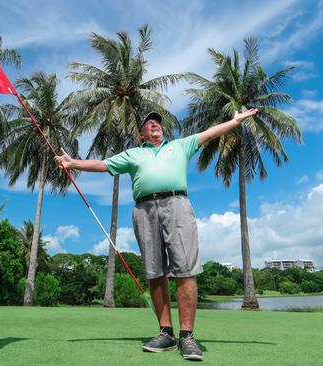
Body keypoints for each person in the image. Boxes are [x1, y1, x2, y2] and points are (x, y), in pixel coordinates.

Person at [54, 108, 258, 361]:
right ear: (141, 133)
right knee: (155, 270)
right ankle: (166, 333)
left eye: (157, 123)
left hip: (177, 205)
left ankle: (187, 336)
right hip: (144, 209)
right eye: (149, 123)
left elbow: (209, 133)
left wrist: (234, 121)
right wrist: (73, 163)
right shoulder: (133, 154)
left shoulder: (180, 146)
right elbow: (103, 164)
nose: (155, 125)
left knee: (185, 268)